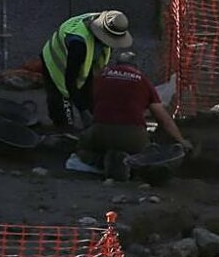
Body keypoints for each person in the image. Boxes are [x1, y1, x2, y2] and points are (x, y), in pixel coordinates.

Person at [77, 51, 191, 180]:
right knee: (146, 153)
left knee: (82, 149)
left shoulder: (100, 76)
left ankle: (103, 161)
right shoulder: (143, 81)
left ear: (117, 64)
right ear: (136, 67)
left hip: (100, 131)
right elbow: (164, 119)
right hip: (133, 135)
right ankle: (143, 167)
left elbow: (90, 102)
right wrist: (181, 140)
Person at [41, 10, 132, 129]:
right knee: (63, 111)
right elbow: (70, 80)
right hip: (56, 64)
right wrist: (83, 110)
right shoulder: (78, 44)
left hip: (83, 60)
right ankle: (62, 128)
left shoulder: (108, 22)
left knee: (89, 98)